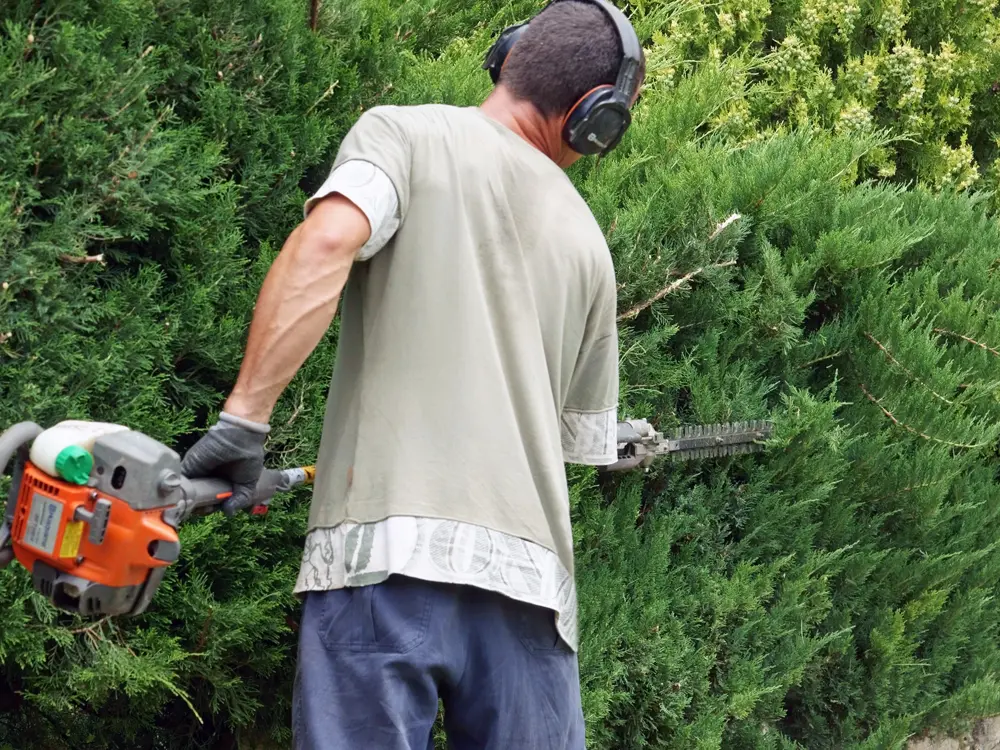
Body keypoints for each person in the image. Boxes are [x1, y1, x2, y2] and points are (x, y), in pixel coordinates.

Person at [179, 1, 645, 747]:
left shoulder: (406, 135)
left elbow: (326, 242)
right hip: (529, 595)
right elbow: (577, 439)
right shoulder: (591, 245)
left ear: (510, 55)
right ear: (598, 115)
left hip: (379, 562)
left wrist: (243, 423)